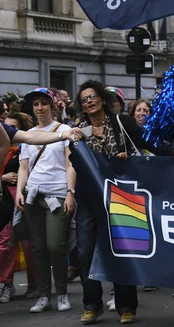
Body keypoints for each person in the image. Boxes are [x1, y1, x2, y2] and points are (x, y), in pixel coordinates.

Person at [75, 80, 174, 325]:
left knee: (122, 250)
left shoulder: (121, 123)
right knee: (85, 251)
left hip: (121, 197)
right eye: (84, 99)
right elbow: (77, 164)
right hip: (88, 198)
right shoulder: (78, 130)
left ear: (103, 99)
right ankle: (92, 305)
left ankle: (126, 306)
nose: (90, 102)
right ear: (82, 107)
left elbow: (149, 141)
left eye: (93, 96)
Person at [14, 88, 76, 313]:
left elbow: (71, 164)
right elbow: (23, 167)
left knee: (56, 246)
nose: (40, 108)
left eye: (44, 103)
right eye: (36, 104)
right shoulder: (28, 134)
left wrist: (71, 192)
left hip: (58, 195)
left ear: (52, 106)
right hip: (32, 197)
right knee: (38, 248)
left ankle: (61, 294)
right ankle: (43, 296)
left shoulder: (65, 130)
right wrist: (20, 191)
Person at [0, 112, 37, 303]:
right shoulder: (1, 148)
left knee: (29, 242)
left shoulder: (26, 149)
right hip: (4, 198)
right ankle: (7, 284)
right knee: (5, 242)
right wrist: (2, 178)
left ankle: (34, 284)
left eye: (12, 128)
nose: (7, 133)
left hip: (24, 196)